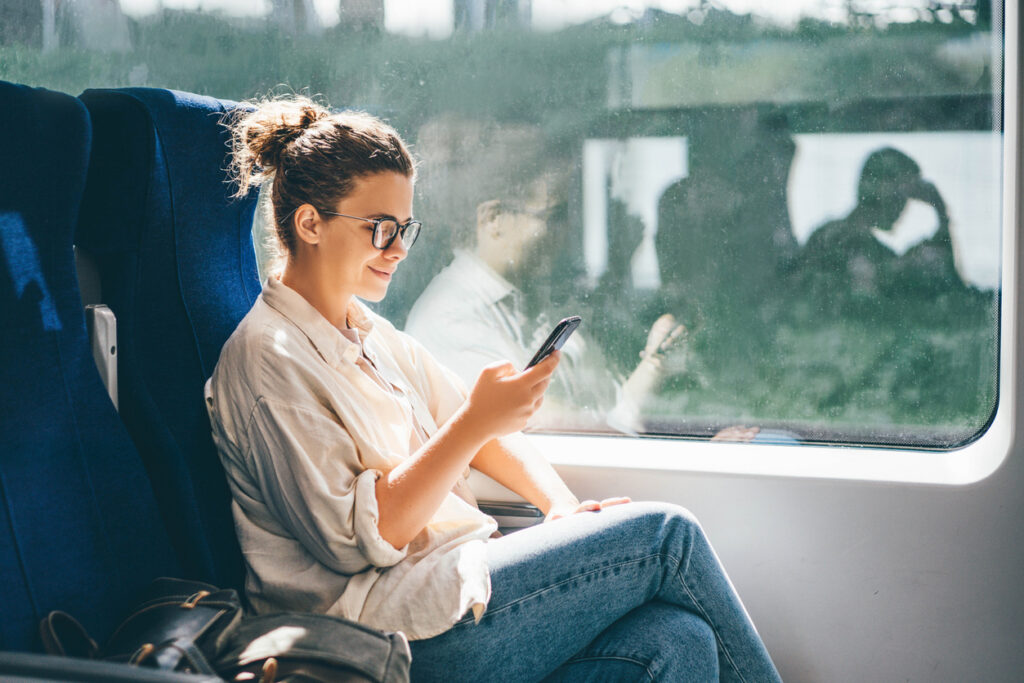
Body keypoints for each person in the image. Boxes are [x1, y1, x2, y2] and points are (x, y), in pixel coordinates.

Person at [204, 95, 782, 683]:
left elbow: (475, 427)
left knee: (675, 639)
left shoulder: (367, 332)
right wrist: (476, 422)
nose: (399, 248)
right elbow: (363, 541)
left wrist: (558, 505)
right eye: (380, 228)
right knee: (667, 536)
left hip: (453, 586)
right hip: (388, 635)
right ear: (310, 224)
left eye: (405, 228)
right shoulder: (267, 361)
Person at [405, 179, 686, 434]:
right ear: (494, 219)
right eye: (554, 217)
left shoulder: (535, 299)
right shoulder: (450, 320)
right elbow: (564, 431)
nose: (566, 235)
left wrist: (655, 363)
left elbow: (607, 409)